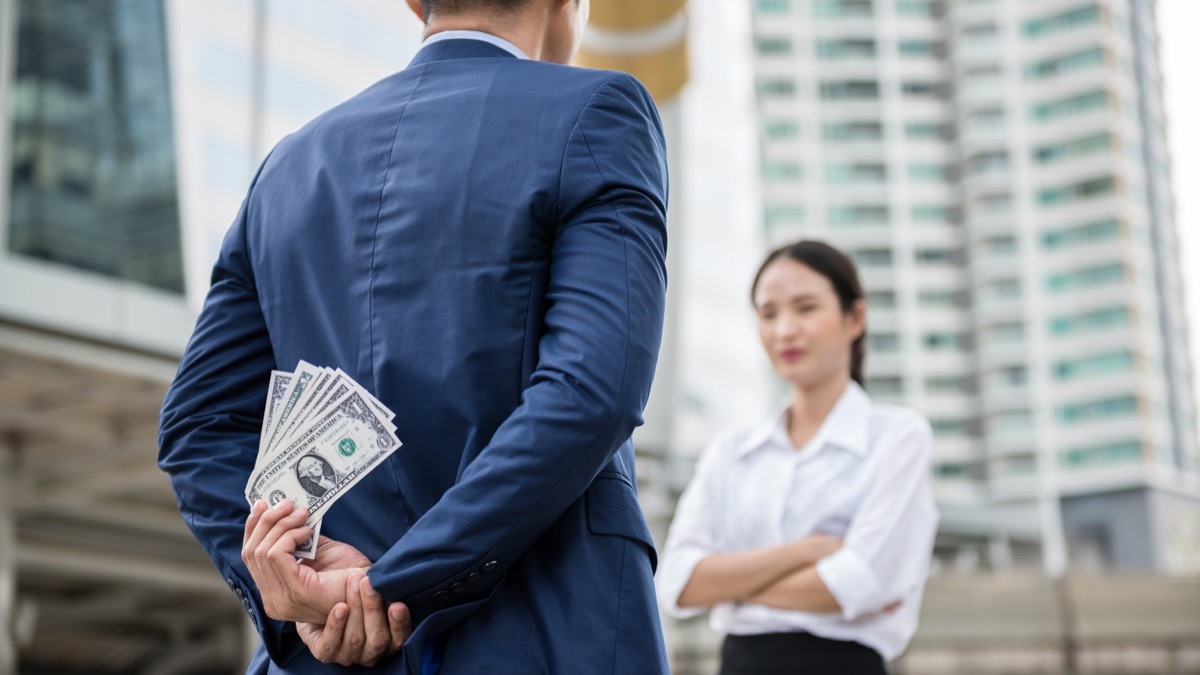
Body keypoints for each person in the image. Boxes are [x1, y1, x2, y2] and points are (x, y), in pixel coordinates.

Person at [157, 0, 670, 672]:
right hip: (549, 631)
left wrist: (313, 596)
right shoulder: (599, 110)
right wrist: (387, 588)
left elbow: (197, 425)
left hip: (325, 655)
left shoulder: (289, 164)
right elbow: (589, 392)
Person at [656, 240, 938, 675]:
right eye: (769, 314)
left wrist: (727, 587)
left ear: (855, 317)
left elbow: (856, 584)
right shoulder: (730, 452)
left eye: (805, 308)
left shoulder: (897, 437)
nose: (785, 330)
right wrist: (806, 552)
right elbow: (677, 582)